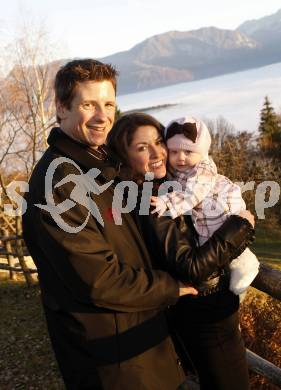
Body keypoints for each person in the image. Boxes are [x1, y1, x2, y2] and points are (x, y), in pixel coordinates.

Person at [22, 59, 198, 390]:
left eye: (108, 104)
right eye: (89, 105)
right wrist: (170, 286)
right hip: (115, 365)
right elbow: (99, 281)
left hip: (142, 346)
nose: (103, 116)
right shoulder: (60, 181)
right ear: (62, 108)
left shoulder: (102, 166)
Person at [107, 112, 256, 390]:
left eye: (158, 142)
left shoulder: (168, 183)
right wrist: (241, 227)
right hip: (207, 317)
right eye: (141, 147)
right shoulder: (150, 200)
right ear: (125, 157)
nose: (157, 153)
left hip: (203, 313)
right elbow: (192, 267)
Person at [151, 116, 260, 297]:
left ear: (201, 152)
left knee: (223, 245)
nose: (180, 158)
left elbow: (193, 193)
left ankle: (247, 265)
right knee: (210, 249)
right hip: (203, 214)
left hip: (219, 209)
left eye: (188, 152)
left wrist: (167, 201)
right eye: (174, 152)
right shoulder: (180, 169)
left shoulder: (203, 168)